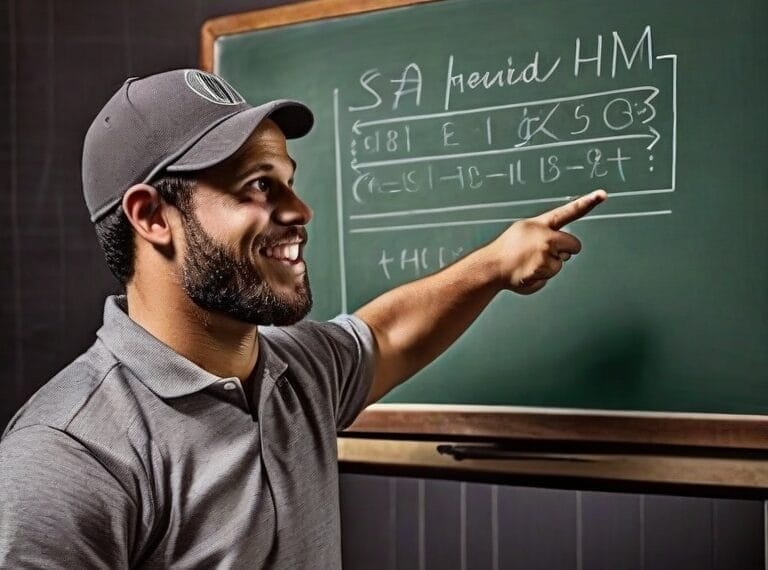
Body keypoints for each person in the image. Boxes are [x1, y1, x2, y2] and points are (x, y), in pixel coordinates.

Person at [0, 69, 606, 568]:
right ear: (152, 217)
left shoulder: (298, 372)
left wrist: (494, 265)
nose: (300, 210)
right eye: (260, 186)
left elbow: (391, 332)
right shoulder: (69, 455)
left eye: (289, 182)